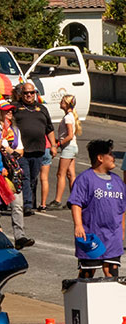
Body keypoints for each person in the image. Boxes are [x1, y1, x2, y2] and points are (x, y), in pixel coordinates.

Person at [70, 140, 126, 279]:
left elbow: (123, 207)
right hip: (92, 235)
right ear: (100, 158)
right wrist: (78, 226)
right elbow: (76, 203)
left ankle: (112, 301)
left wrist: (123, 229)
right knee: (88, 273)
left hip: (113, 236)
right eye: (110, 154)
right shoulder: (85, 179)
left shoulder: (118, 181)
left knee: (111, 272)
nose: (114, 158)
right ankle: (81, 300)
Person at [0, 101, 34, 249]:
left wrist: (8, 149)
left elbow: (20, 151)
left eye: (11, 110)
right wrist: (9, 151)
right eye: (7, 110)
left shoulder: (15, 130)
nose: (10, 112)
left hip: (13, 174)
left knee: (17, 206)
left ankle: (20, 237)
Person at [13, 82, 56, 215]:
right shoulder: (15, 108)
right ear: (21, 94)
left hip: (38, 149)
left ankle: (30, 202)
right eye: (26, 93)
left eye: (32, 93)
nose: (29, 95)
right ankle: (26, 205)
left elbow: (49, 128)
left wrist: (53, 145)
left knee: (33, 177)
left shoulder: (42, 108)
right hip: (22, 150)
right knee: (25, 176)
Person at [51, 94, 82, 210]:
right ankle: (74, 199)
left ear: (67, 104)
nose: (60, 103)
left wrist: (59, 143)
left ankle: (57, 200)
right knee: (71, 174)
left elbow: (70, 135)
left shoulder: (68, 117)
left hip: (68, 148)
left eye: (62, 102)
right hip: (73, 147)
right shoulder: (70, 116)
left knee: (61, 174)